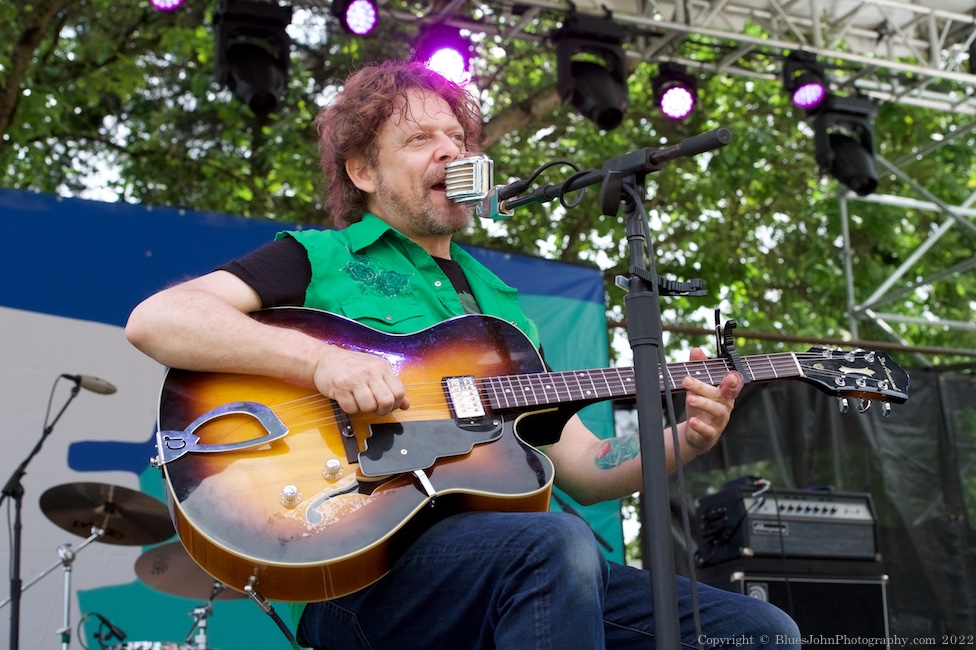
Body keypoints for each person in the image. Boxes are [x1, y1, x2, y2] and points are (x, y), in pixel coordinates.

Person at [125, 60, 800, 649]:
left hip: (524, 562)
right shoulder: (318, 259)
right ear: (362, 171)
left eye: (457, 137)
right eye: (420, 139)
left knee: (760, 630)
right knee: (556, 545)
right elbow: (159, 320)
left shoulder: (502, 309)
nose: (449, 150)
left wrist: (685, 438)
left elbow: (587, 468)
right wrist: (321, 364)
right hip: (359, 567)